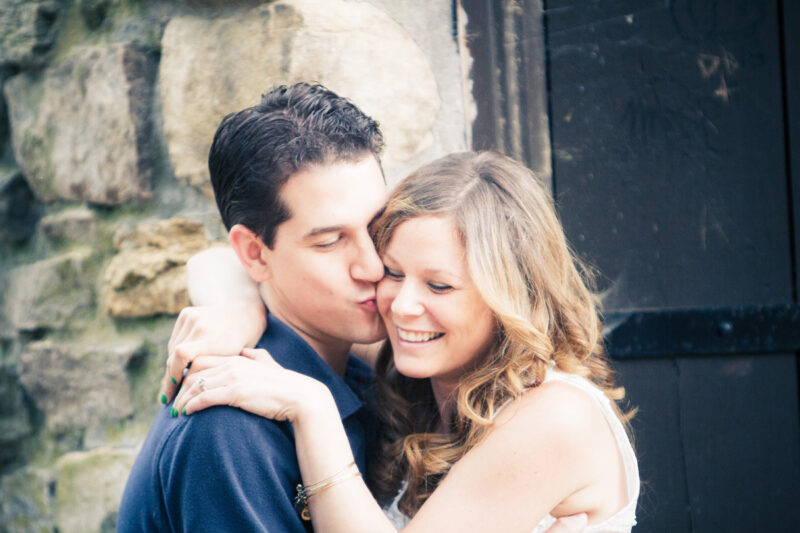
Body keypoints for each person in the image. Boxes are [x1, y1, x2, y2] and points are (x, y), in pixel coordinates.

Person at [166, 151, 639, 532]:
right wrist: (238, 314)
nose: (400, 305)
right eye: (393, 271)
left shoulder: (553, 417)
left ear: (509, 296)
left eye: (439, 286)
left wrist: (312, 407)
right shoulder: (409, 363)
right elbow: (216, 263)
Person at [117, 82, 388, 532]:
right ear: (255, 254)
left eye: (379, 225)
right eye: (329, 241)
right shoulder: (227, 427)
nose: (373, 265)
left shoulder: (377, 372)